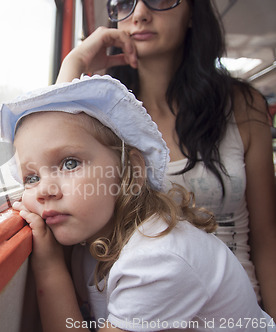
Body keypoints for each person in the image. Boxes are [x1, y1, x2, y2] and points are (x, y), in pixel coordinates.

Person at [0, 75, 274, 331]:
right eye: (31, 177)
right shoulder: (93, 244)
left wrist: (49, 268)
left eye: (70, 163)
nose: (44, 190)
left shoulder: (157, 258)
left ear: (131, 168)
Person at [55, 0, 276, 318]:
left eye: (160, 0)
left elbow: (266, 236)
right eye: (124, 4)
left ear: (192, 14)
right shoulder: (99, 115)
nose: (140, 14)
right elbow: (51, 157)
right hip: (135, 311)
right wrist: (76, 61)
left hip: (235, 312)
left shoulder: (242, 105)